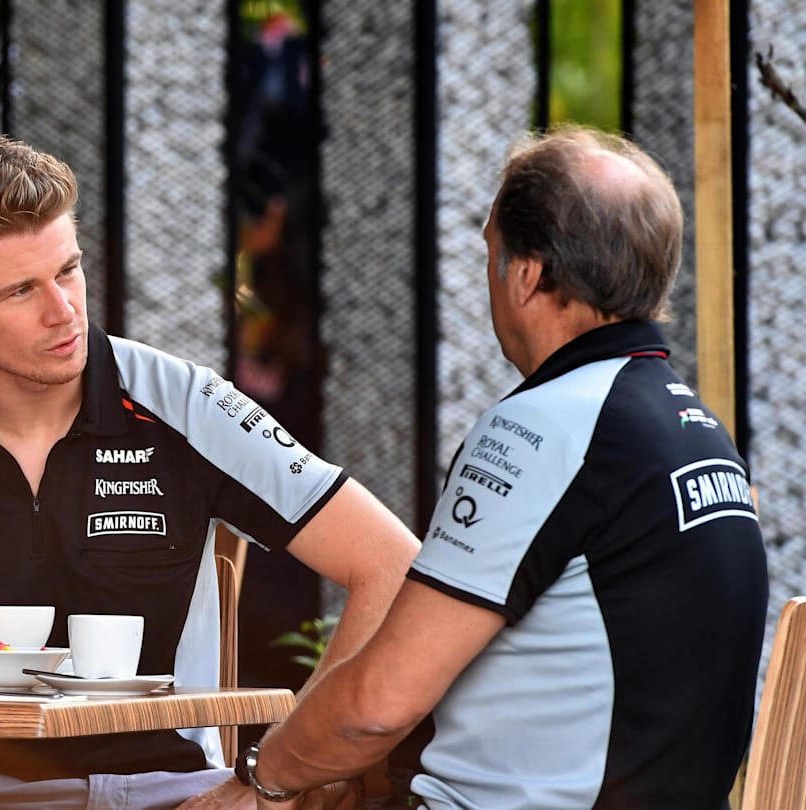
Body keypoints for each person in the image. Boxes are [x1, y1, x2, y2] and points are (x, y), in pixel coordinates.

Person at [0, 135, 420, 808]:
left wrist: (275, 773)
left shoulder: (183, 403)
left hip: (162, 793)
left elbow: (391, 565)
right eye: (20, 290)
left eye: (68, 270)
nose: (63, 311)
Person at [188, 125, 768, 810]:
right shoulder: (698, 433)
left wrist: (264, 778)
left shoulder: (544, 427)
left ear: (526, 274)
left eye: (491, 253)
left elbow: (378, 702)